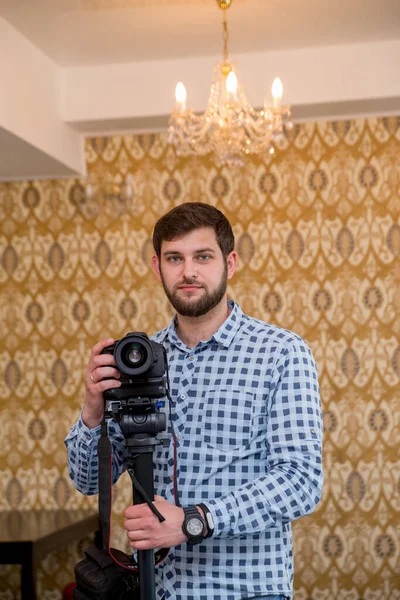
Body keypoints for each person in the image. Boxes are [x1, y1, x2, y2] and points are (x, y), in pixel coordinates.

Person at [65, 202, 323, 600]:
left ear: (230, 263)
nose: (188, 271)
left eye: (203, 256)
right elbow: (85, 480)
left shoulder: (281, 352)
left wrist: (193, 521)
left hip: (247, 591)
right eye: (174, 258)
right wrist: (92, 410)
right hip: (155, 590)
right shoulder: (139, 361)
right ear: (157, 268)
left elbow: (301, 481)